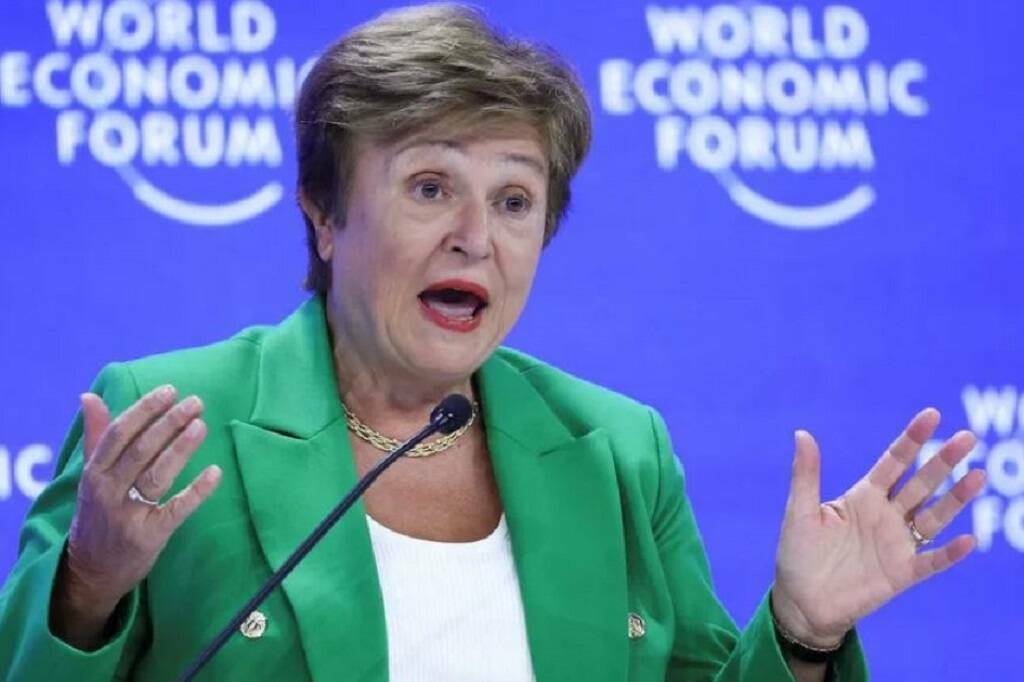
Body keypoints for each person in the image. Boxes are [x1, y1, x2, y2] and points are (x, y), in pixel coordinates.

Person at [0, 4, 984, 681]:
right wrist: (88, 586)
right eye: (431, 187)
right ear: (325, 214)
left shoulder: (617, 449)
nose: (477, 235)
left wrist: (802, 635)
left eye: (514, 198)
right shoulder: (171, 420)